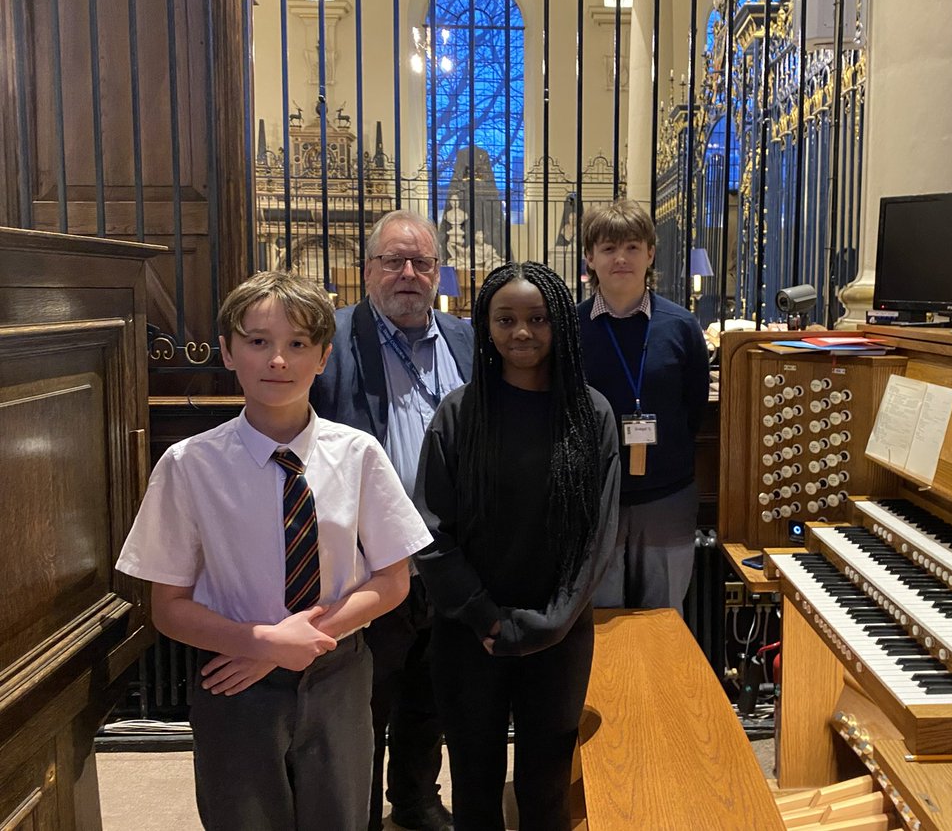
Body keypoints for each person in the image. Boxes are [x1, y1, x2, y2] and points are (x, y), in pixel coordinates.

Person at [115, 271, 431, 830]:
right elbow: (168, 607)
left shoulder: (357, 454)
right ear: (227, 352)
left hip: (338, 675)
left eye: (298, 344)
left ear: (323, 357)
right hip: (233, 681)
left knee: (342, 816)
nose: (278, 360)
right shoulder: (190, 465)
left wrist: (297, 643)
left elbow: (393, 580)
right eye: (258, 341)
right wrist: (260, 644)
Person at [415, 261, 621, 831]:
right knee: (476, 786)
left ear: (561, 325)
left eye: (538, 319)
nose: (522, 332)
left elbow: (599, 534)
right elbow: (430, 529)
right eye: (505, 319)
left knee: (546, 788)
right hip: (469, 634)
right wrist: (483, 616)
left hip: (559, 634)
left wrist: (551, 623)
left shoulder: (591, 414)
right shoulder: (459, 412)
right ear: (485, 326)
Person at [310, 210, 471, 831]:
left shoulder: (464, 338)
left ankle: (416, 797)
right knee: (366, 698)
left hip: (449, 553)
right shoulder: (332, 340)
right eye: (393, 261)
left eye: (421, 262)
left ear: (437, 271)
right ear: (368, 268)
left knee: (433, 689)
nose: (408, 274)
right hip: (369, 559)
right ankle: (362, 814)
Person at [577, 200, 710, 614]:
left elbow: (694, 406)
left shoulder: (681, 326)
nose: (621, 258)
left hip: (666, 498)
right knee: (599, 620)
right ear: (590, 257)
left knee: (663, 615)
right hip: (594, 500)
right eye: (608, 248)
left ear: (650, 254)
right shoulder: (571, 327)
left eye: (632, 247)